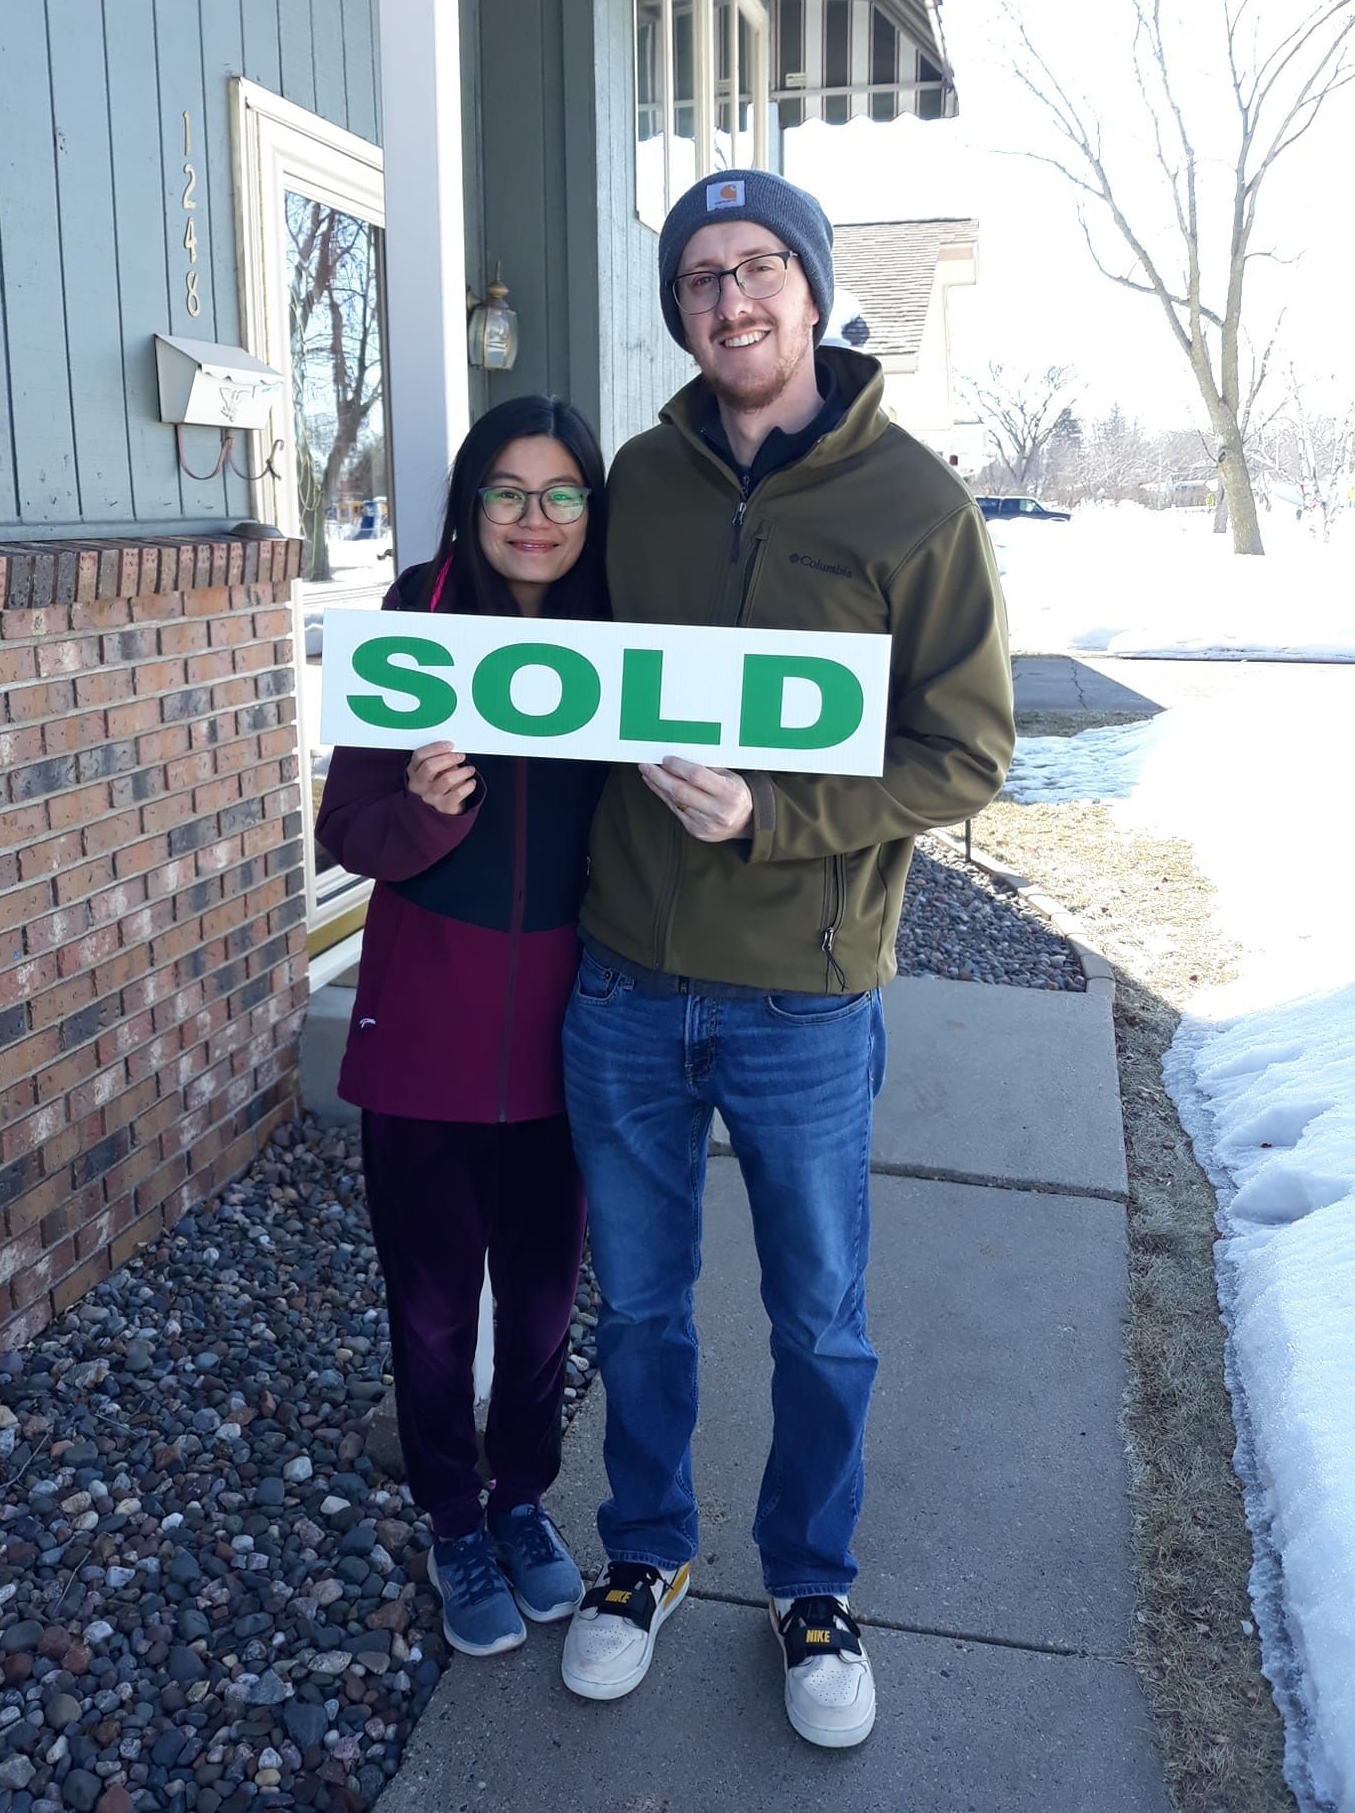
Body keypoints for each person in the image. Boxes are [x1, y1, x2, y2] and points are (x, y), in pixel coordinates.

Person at [558, 171, 1015, 1747]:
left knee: (821, 1322)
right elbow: (561, 660)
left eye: (759, 267)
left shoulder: (916, 505)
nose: (731, 298)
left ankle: (813, 1586)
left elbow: (965, 754)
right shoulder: (641, 478)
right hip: (624, 981)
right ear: (680, 311)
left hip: (803, 997)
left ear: (812, 291)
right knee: (641, 1310)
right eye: (701, 277)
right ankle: (646, 1553)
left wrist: (777, 816)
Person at [316, 395, 608, 1657]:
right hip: (425, 1026)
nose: (534, 517)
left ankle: (521, 1499)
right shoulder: (413, 624)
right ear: (470, 502)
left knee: (542, 1303)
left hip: (571, 1035)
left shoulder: (627, 636)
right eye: (507, 490)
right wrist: (425, 815)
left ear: (591, 508)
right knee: (433, 1308)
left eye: (561, 492)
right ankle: (452, 1517)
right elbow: (347, 829)